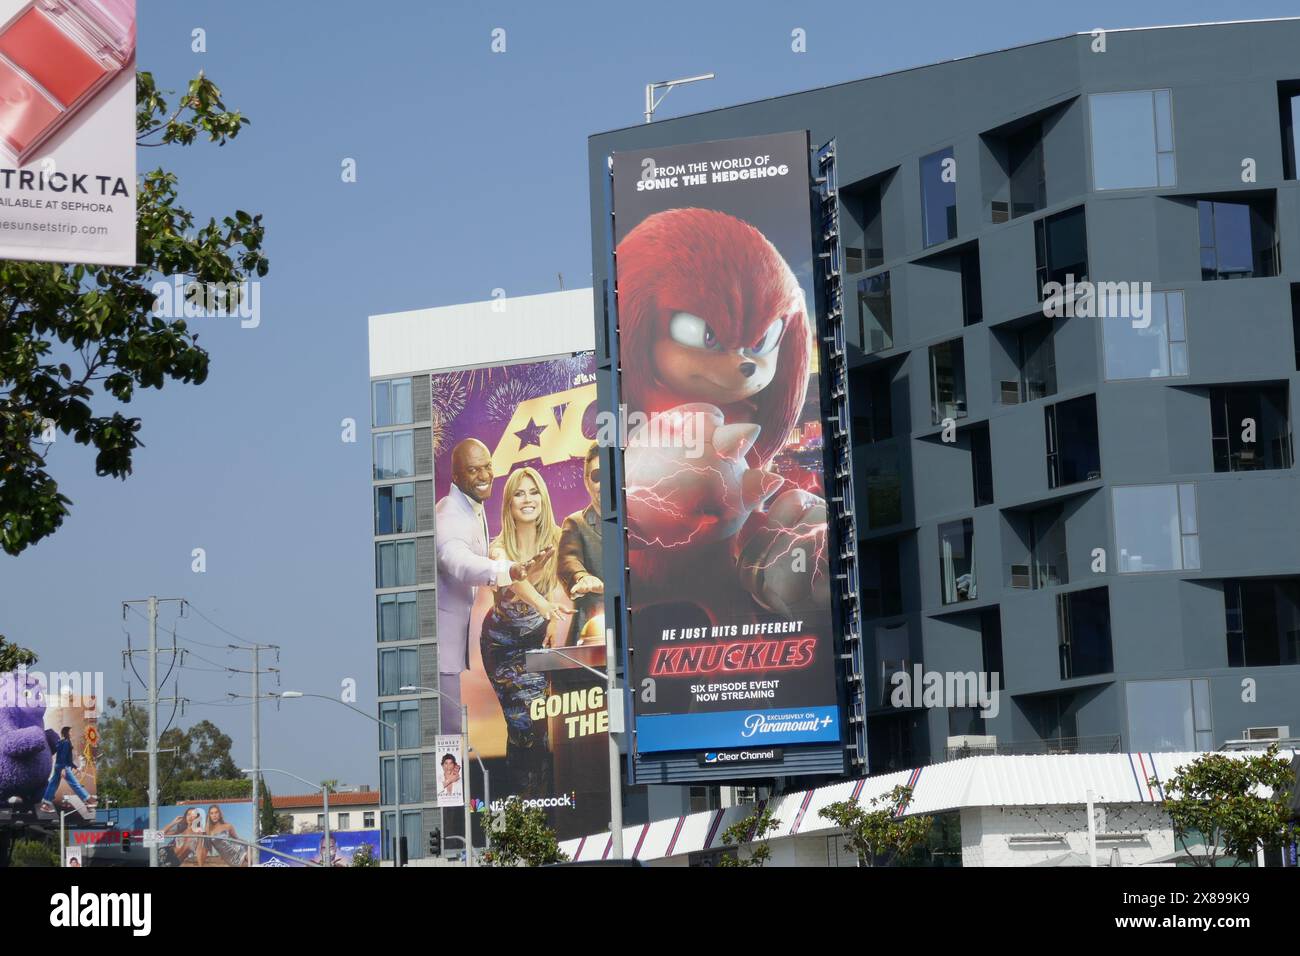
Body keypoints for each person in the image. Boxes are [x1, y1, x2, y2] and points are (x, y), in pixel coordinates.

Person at [435, 438, 551, 734]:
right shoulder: (450, 516)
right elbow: (457, 560)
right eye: (474, 470)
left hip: (464, 651)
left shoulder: (471, 504)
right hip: (446, 655)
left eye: (488, 466)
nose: (485, 476)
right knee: (450, 746)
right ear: (457, 477)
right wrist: (507, 570)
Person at [481, 466, 560, 798]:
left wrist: (552, 618)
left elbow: (568, 577)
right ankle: (526, 801)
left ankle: (533, 802)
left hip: (537, 644)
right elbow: (514, 578)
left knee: (537, 728)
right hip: (503, 648)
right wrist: (543, 605)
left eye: (533, 492)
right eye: (519, 493)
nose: (528, 499)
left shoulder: (558, 538)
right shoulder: (498, 548)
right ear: (509, 503)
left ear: (542, 497)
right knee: (524, 723)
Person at [557, 442, 604, 645]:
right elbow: (568, 560)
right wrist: (582, 577)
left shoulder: (641, 522)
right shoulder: (575, 523)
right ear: (587, 481)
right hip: (591, 630)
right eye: (597, 476)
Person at [38, 726, 95, 813]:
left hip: (58, 766)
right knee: (75, 784)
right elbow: (63, 757)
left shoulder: (61, 742)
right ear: (67, 732)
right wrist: (63, 769)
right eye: (70, 731)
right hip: (63, 766)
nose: (72, 733)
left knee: (53, 785)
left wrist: (75, 768)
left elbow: (65, 758)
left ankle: (45, 805)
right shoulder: (66, 743)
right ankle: (88, 801)